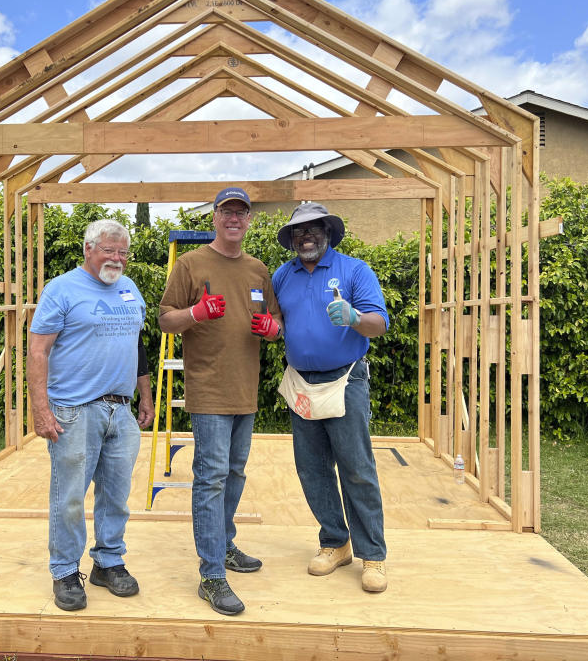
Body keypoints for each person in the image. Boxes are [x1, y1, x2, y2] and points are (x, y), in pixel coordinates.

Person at [158, 187, 282, 615]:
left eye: (241, 213)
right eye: (227, 211)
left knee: (233, 473)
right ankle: (212, 575)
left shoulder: (258, 269)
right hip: (208, 388)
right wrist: (195, 314)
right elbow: (164, 318)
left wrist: (272, 328)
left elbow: (276, 320)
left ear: (249, 221)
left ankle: (225, 545)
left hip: (244, 390)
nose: (234, 218)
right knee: (210, 478)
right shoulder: (191, 264)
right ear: (215, 217)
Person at [27, 219, 154, 612]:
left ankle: (108, 562)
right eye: (108, 250)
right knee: (69, 497)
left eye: (122, 252)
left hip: (121, 408)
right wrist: (40, 410)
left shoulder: (129, 289)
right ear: (88, 249)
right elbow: (37, 351)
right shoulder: (61, 289)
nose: (116, 259)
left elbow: (137, 347)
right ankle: (65, 570)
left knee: (116, 496)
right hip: (74, 411)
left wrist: (144, 396)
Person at [271, 202, 391, 593]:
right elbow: (277, 324)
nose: (306, 236)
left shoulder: (354, 270)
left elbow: (378, 324)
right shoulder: (281, 277)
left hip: (346, 380)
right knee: (312, 468)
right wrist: (269, 328)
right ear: (291, 239)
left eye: (313, 229)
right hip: (301, 382)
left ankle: (372, 555)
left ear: (327, 233)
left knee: (356, 467)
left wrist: (355, 318)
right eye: (299, 231)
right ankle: (336, 543)